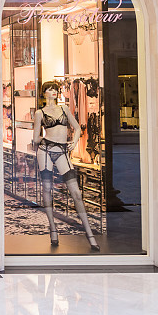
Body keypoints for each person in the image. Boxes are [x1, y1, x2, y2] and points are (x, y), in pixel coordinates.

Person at [32, 81, 100, 252]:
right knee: (47, 189)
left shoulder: (64, 109)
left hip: (62, 151)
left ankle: (90, 234)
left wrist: (75, 141)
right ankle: (53, 229)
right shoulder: (40, 113)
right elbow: (35, 138)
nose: (53, 91)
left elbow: (77, 128)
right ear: (44, 93)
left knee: (76, 193)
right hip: (46, 150)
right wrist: (46, 139)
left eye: (55, 89)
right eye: (50, 89)